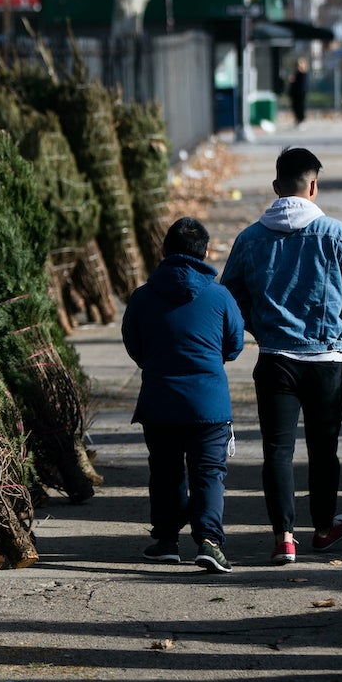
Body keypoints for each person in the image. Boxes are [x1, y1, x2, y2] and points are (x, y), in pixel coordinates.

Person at [220, 147, 342, 566]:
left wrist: (259, 327)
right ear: (313, 186)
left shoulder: (250, 239)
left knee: (277, 451)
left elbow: (229, 298)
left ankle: (283, 537)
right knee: (324, 450)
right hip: (325, 360)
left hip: (275, 360)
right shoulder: (336, 234)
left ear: (275, 187)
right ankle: (323, 529)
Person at [122, 217, 245, 573]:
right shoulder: (220, 296)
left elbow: (134, 343)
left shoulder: (143, 296)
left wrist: (158, 362)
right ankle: (208, 541)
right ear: (204, 253)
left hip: (159, 401)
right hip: (209, 405)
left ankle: (166, 541)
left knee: (165, 472)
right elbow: (234, 344)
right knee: (208, 473)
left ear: (164, 250)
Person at [287, 59, 310, 130]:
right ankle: (297, 120)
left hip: (301, 93)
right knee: (295, 108)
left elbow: (303, 85)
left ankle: (302, 121)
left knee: (301, 107)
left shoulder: (303, 74)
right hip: (295, 94)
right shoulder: (296, 74)